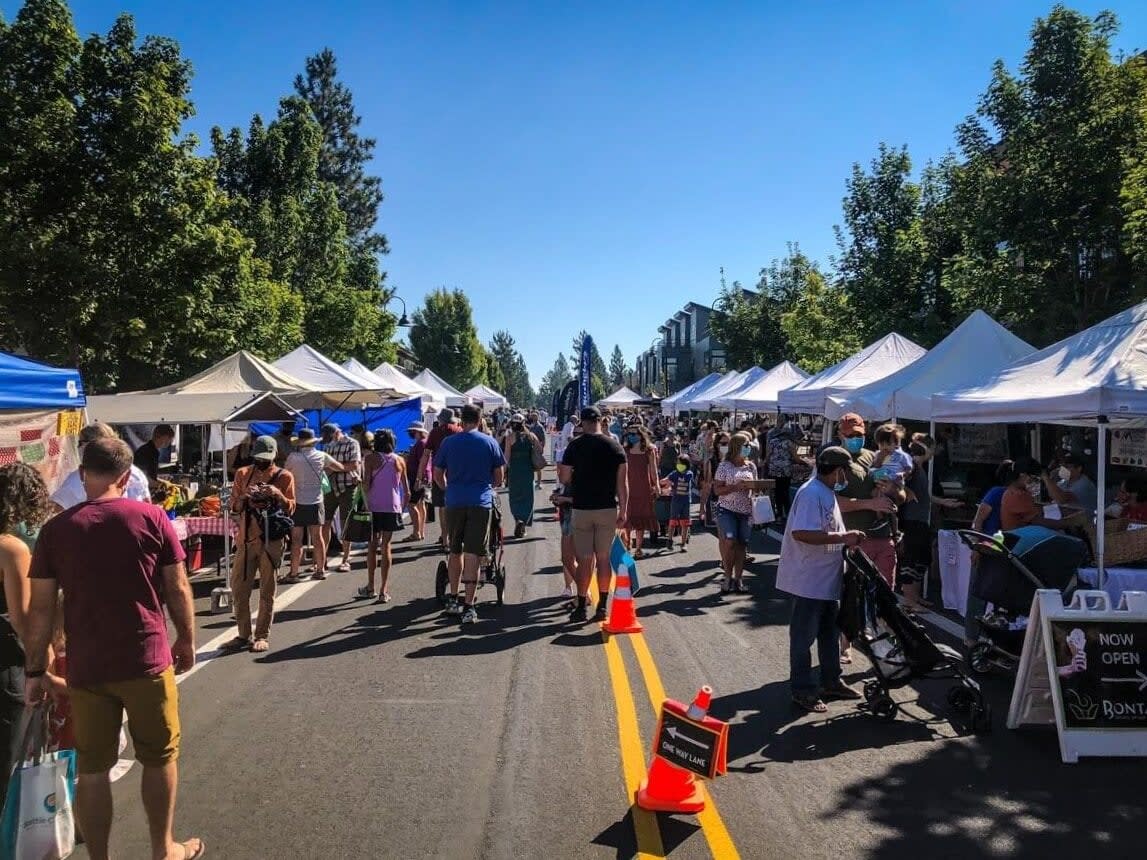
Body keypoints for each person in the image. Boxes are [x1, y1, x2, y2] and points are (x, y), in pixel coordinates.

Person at [23, 438, 203, 860]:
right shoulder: (151, 517)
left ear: (83, 472)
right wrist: (188, 639)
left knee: (92, 768)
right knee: (158, 758)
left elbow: (41, 611)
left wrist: (35, 672)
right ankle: (163, 849)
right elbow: (177, 587)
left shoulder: (56, 530)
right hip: (145, 659)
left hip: (86, 668)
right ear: (126, 476)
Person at [776, 446, 866, 714]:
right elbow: (801, 533)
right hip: (809, 579)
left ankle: (831, 681)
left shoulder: (825, 492)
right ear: (836, 470)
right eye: (844, 472)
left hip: (827, 577)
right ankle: (802, 689)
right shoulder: (811, 493)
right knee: (803, 638)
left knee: (829, 634)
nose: (845, 478)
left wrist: (844, 539)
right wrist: (843, 538)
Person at [0, 463, 62, 811]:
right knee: (6, 757)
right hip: (6, 661)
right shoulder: (11, 549)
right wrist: (43, 662)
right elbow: (24, 618)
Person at [831, 413, 898, 664]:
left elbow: (896, 490)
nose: (856, 439)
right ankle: (845, 643)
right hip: (854, 540)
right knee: (851, 594)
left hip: (882, 536)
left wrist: (891, 490)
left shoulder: (874, 457)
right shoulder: (837, 461)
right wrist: (870, 502)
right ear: (840, 434)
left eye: (859, 435)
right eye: (851, 436)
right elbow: (834, 503)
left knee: (885, 593)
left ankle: (886, 642)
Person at [433, 405, 506, 625]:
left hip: (455, 501)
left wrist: (448, 489)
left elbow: (438, 474)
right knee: (473, 553)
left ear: (461, 420)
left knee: (455, 551)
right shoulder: (489, 442)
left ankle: (453, 598)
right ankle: (469, 605)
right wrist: (486, 486)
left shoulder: (448, 442)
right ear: (480, 419)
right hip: (480, 502)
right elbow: (499, 477)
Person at [225, 436, 296, 653]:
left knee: (267, 590)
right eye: (258, 458)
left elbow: (292, 508)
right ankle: (243, 633)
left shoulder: (284, 476)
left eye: (266, 458)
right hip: (246, 540)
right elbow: (233, 507)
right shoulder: (243, 474)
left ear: (274, 456)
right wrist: (246, 497)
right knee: (239, 589)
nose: (261, 462)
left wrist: (276, 494)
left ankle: (262, 635)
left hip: (271, 540)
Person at [559, 406, 628, 623]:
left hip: (582, 508)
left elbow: (564, 478)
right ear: (600, 421)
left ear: (583, 422)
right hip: (607, 507)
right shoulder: (615, 447)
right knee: (604, 558)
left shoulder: (575, 446)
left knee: (585, 559)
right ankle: (602, 605)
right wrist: (624, 509)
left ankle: (581, 605)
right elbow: (622, 484)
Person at [899, 437, 962, 612]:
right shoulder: (911, 464)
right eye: (933, 448)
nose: (935, 452)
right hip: (912, 520)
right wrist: (906, 492)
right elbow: (897, 482)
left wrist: (943, 502)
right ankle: (909, 600)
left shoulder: (920, 467)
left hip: (921, 519)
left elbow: (924, 495)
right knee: (911, 559)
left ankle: (915, 596)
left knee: (923, 558)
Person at [283, 427, 345, 583]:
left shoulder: (292, 458)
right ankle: (320, 570)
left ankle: (294, 573)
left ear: (300, 443)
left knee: (296, 539)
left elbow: (284, 474)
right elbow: (340, 467)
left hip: (297, 502)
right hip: (316, 502)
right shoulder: (322, 456)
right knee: (318, 538)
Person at [52, 422, 151, 511]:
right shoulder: (136, 472)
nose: (78, 447)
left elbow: (54, 508)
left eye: (80, 443)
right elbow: (147, 505)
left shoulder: (81, 477)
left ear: (92, 445)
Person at [361, 430, 408, 603]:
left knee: (372, 545)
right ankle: (384, 590)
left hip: (373, 506)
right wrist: (401, 509)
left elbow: (366, 484)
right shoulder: (400, 460)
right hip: (392, 507)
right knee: (386, 546)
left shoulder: (370, 459)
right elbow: (407, 491)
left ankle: (370, 586)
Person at [713, 433, 758, 593]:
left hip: (745, 510)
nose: (748, 448)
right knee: (730, 542)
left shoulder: (751, 466)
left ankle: (738, 579)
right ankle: (727, 577)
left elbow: (755, 487)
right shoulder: (725, 466)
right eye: (746, 445)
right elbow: (717, 489)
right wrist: (734, 487)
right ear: (737, 446)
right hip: (727, 509)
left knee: (742, 545)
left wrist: (756, 488)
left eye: (749, 445)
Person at [321, 423, 361, 573]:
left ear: (336, 433)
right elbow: (326, 467)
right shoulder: (328, 447)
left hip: (348, 487)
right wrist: (339, 468)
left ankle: (346, 559)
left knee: (346, 523)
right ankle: (322, 559)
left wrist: (336, 467)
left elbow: (354, 465)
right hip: (330, 487)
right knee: (325, 522)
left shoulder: (352, 443)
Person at [621, 425, 659, 559]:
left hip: (644, 489)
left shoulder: (649, 450)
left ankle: (638, 548)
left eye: (634, 433)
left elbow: (653, 471)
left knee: (641, 520)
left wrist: (657, 486)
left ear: (641, 435)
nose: (632, 436)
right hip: (628, 488)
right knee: (627, 519)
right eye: (629, 434)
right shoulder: (625, 450)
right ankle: (627, 545)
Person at [426, 409, 462, 552]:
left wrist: (421, 475)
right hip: (456, 472)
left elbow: (426, 453)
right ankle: (452, 536)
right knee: (455, 505)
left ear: (441, 419)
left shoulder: (434, 432)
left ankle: (445, 538)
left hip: (439, 471)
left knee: (443, 506)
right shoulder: (459, 431)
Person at [1000, 456, 1067, 531]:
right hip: (1021, 539)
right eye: (1034, 478)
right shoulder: (1017, 495)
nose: (1035, 482)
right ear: (1023, 475)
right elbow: (1039, 522)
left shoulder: (1014, 491)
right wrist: (1067, 523)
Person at [504, 413, 542, 538]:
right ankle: (523, 523)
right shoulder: (531, 436)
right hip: (527, 470)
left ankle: (517, 520)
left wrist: (504, 471)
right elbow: (539, 450)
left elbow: (506, 457)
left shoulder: (510, 437)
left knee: (514, 497)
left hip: (514, 471)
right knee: (527, 497)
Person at [766, 421, 804, 521]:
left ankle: (778, 514)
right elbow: (796, 458)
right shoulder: (789, 443)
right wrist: (804, 462)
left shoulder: (772, 441)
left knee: (777, 492)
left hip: (773, 470)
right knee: (785, 492)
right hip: (785, 470)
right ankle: (787, 514)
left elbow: (768, 456)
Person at [1042, 452, 1098, 517]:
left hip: (1083, 521)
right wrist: (1052, 480)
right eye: (1062, 467)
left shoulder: (1083, 484)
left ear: (1079, 468)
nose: (1063, 470)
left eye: (1067, 467)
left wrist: (1045, 477)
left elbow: (1062, 499)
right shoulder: (1066, 481)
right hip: (1065, 515)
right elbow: (1053, 495)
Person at [404, 421, 431, 542]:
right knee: (421, 504)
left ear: (418, 432)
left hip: (417, 477)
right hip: (422, 477)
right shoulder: (423, 443)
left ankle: (416, 532)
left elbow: (422, 462)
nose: (411, 433)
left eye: (412, 431)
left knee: (411, 504)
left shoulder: (421, 444)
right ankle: (420, 531)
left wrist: (418, 479)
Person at [970, 460, 1013, 535]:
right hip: (992, 540)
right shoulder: (997, 492)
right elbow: (978, 520)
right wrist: (976, 540)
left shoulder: (1022, 496)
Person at [667, 454, 695, 552]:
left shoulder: (689, 474)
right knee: (673, 521)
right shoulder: (674, 473)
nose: (678, 465)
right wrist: (663, 482)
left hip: (686, 502)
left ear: (686, 464)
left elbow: (684, 479)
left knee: (685, 523)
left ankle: (683, 543)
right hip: (675, 501)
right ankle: (669, 540)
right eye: (677, 463)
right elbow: (666, 480)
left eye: (680, 464)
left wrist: (672, 483)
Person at [527, 411, 547, 489]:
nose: (533, 418)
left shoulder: (539, 426)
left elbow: (543, 439)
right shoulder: (532, 426)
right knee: (532, 465)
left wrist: (542, 448)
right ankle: (533, 482)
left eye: (534, 416)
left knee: (538, 466)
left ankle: (539, 483)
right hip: (531, 448)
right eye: (532, 416)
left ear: (537, 417)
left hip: (537, 448)